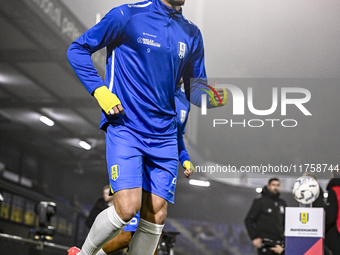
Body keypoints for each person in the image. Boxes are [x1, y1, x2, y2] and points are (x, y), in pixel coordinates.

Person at [67, 0, 226, 254]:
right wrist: (100, 92)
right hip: (126, 126)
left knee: (157, 216)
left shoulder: (192, 33)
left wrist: (217, 97)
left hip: (164, 136)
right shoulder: (126, 15)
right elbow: (77, 50)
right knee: (126, 209)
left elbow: (194, 91)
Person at [95, 79, 194, 255]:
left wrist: (185, 159)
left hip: (158, 171)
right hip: (137, 166)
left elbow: (177, 137)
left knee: (152, 238)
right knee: (125, 236)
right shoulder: (152, 85)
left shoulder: (185, 101)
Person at [245, 178, 286, 255]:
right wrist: (254, 237)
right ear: (268, 186)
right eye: (273, 185)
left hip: (279, 244)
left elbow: (285, 222)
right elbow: (249, 220)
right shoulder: (260, 202)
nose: (275, 187)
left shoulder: (282, 203)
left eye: (277, 185)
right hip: (265, 245)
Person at [325, 171, 340, 255]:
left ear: (333, 175)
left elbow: (331, 216)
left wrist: (324, 227)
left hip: (336, 232)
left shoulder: (334, 190)